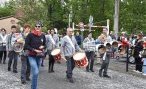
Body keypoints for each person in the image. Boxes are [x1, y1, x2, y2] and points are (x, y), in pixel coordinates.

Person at [25, 22, 46, 89]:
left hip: (39, 56)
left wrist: (43, 47)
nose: (37, 27)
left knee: (35, 73)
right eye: (36, 26)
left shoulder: (42, 35)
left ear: (40, 28)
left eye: (39, 26)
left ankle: (33, 87)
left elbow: (45, 45)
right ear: (34, 27)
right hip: (31, 56)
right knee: (36, 72)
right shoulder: (30, 35)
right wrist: (34, 50)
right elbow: (26, 46)